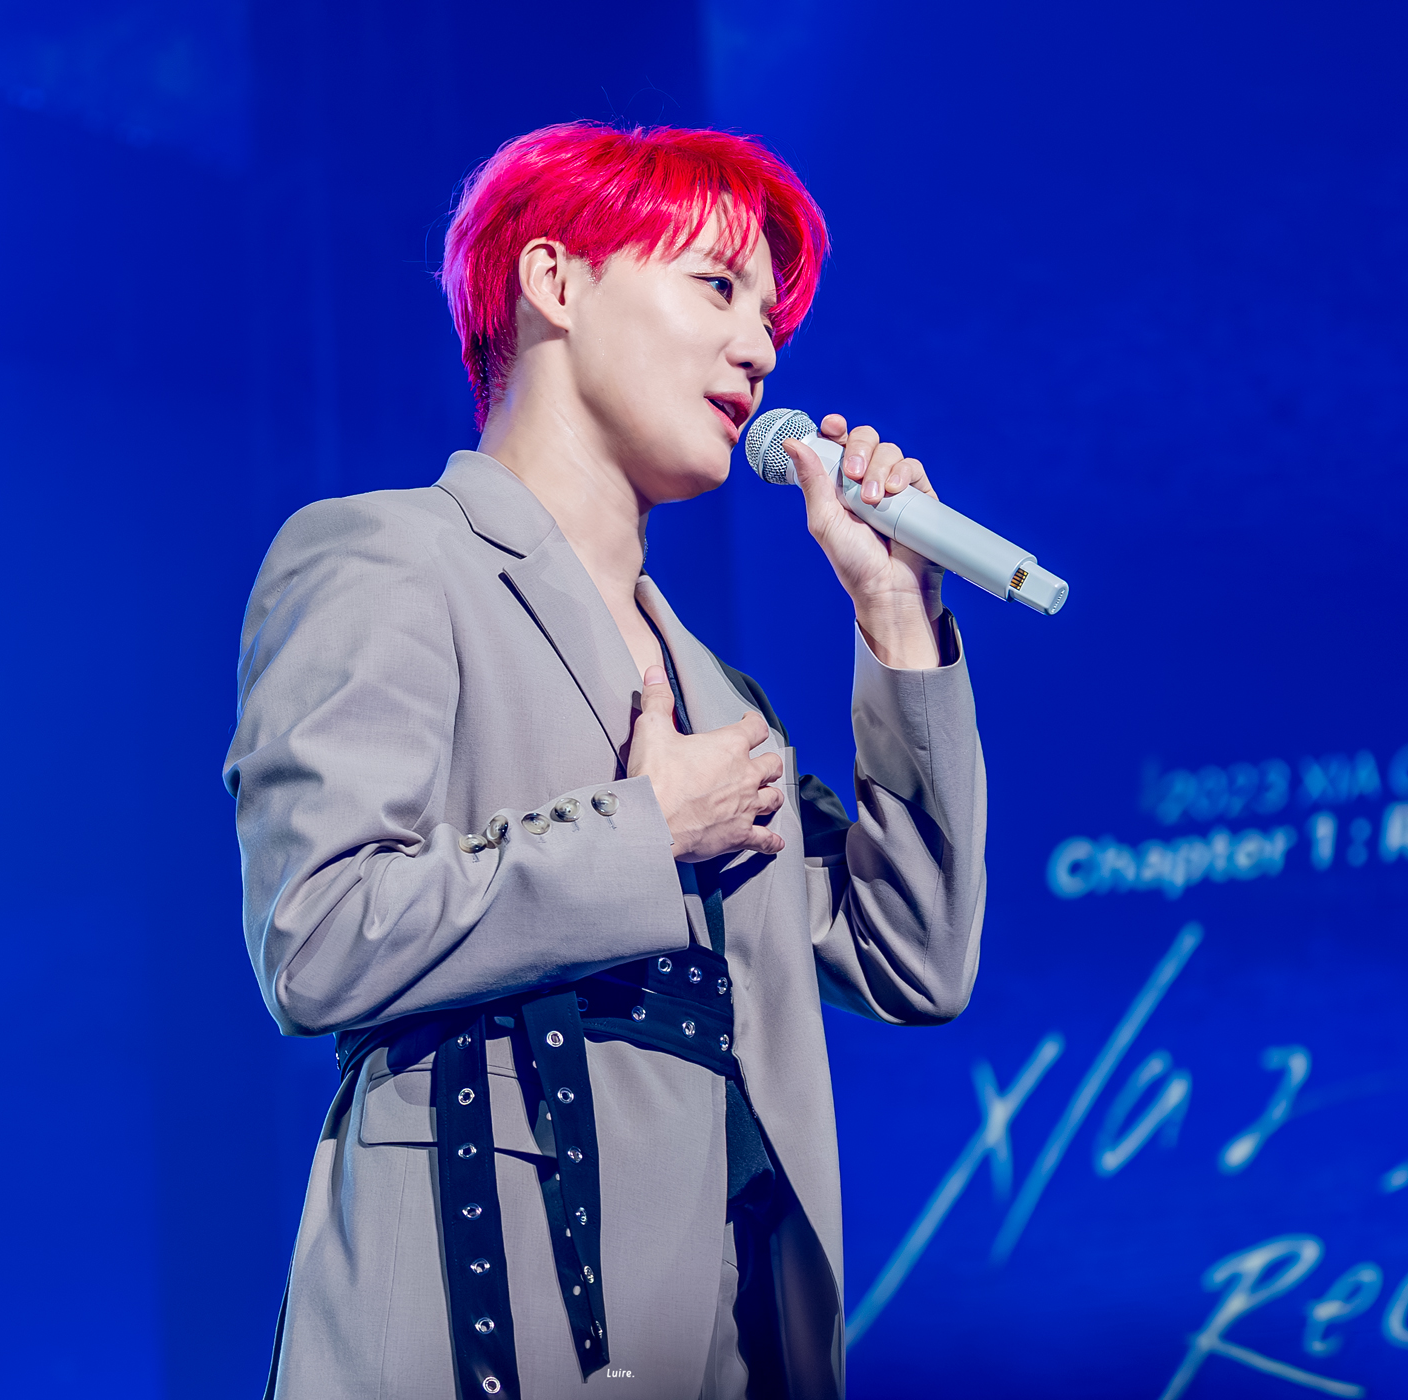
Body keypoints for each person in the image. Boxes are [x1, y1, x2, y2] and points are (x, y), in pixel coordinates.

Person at [224, 123, 987, 1400]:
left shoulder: (719, 697)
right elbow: (317, 934)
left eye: (770, 320)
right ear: (554, 282)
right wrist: (645, 831)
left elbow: (912, 956)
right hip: (485, 1320)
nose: (760, 348)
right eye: (716, 286)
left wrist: (896, 615)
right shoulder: (388, 557)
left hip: (726, 1334)